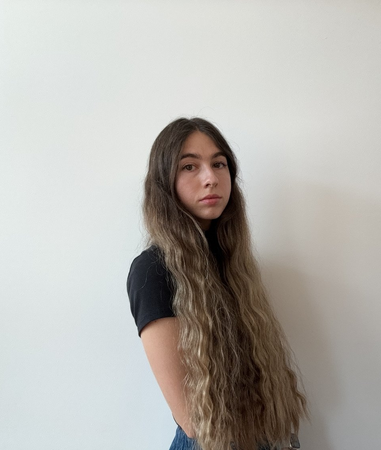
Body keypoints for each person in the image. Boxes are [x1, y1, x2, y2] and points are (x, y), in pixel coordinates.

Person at [127, 117, 307, 450]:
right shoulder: (152, 271)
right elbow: (193, 420)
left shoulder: (235, 264)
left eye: (219, 164)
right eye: (189, 166)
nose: (210, 178)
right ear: (164, 183)